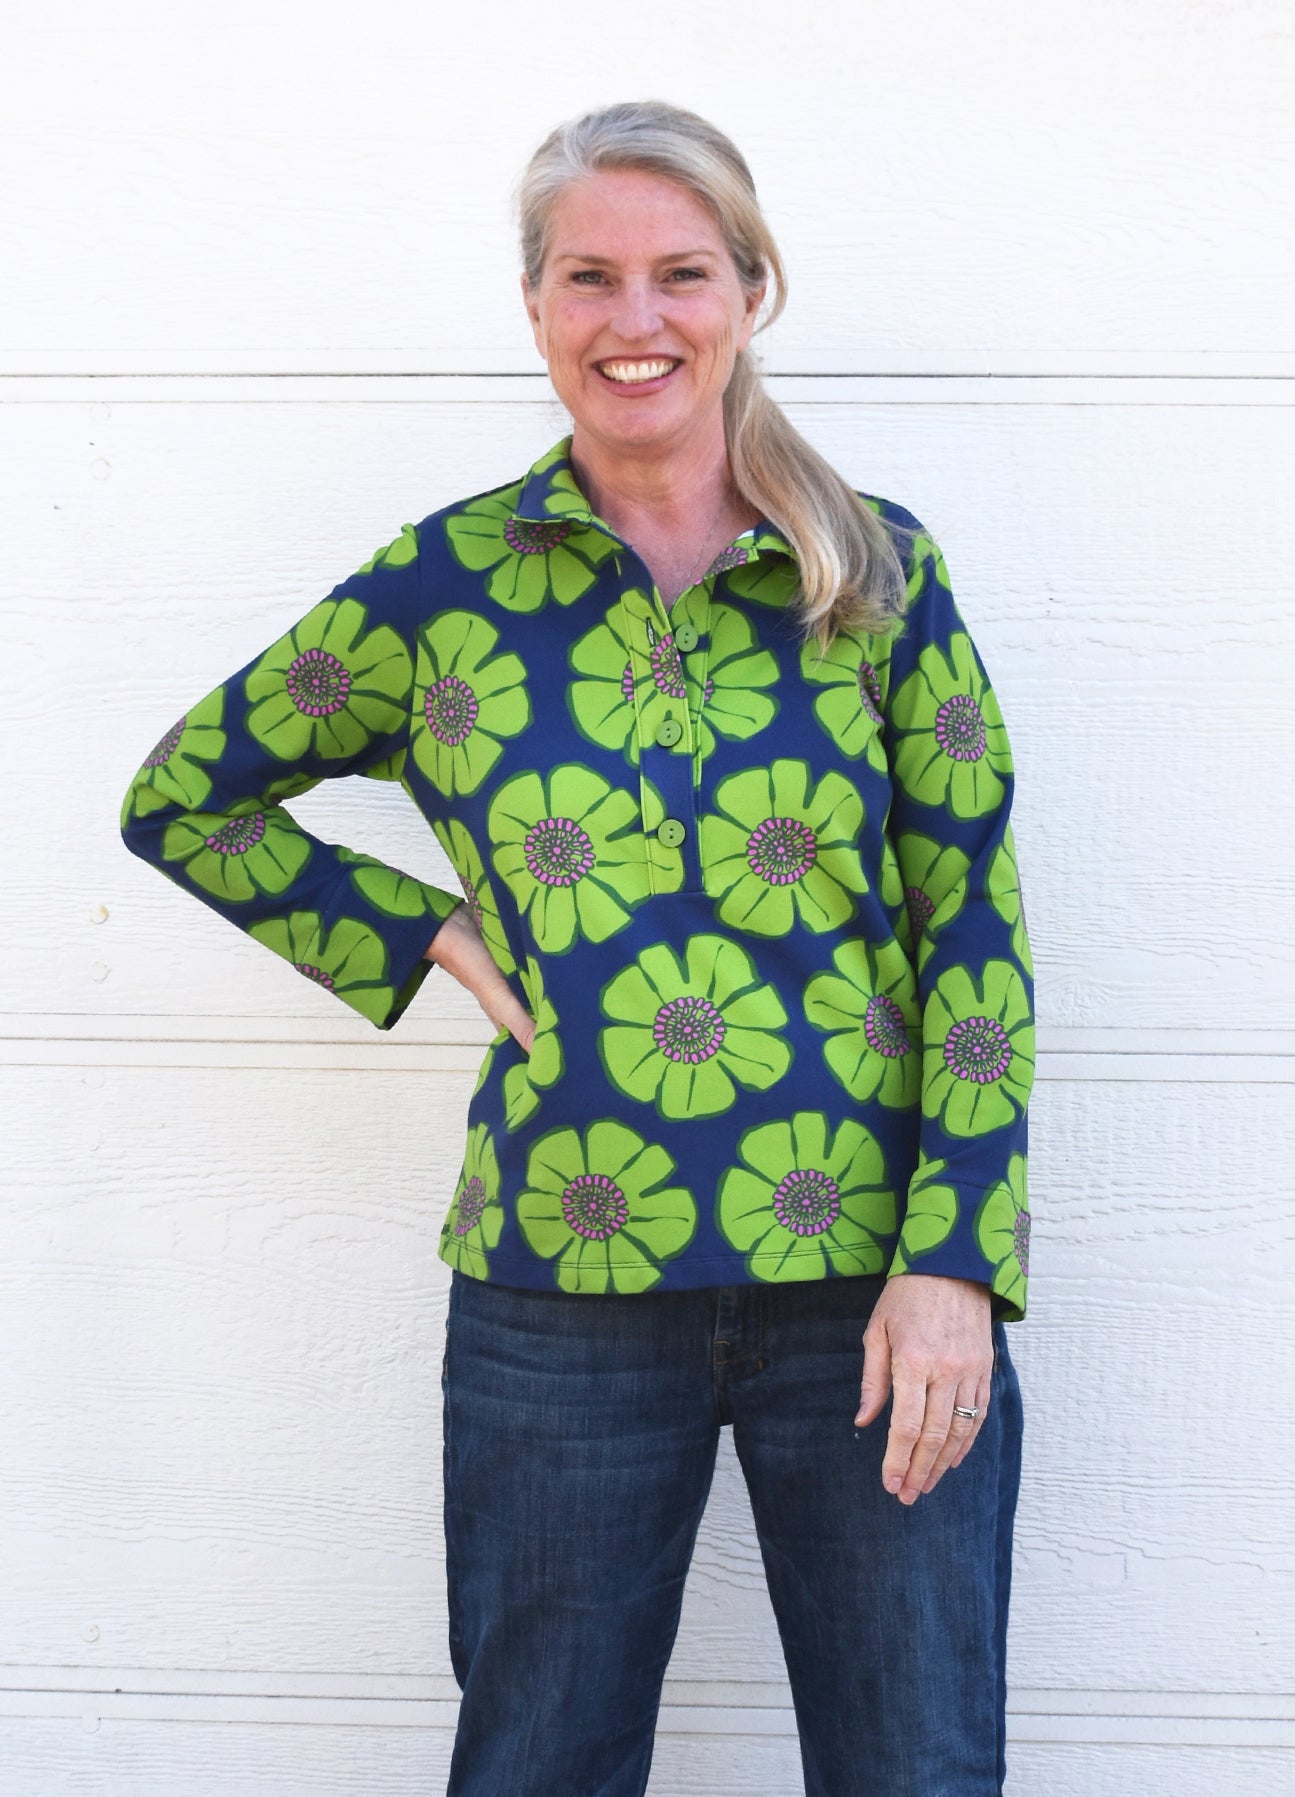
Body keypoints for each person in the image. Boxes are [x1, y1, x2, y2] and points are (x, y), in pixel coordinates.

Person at [120, 98, 1034, 1797]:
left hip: (869, 1284)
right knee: (538, 1762)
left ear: (750, 291)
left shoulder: (877, 573)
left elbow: (973, 925)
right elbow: (184, 797)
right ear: (534, 303)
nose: (637, 319)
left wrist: (957, 1258)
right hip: (560, 1285)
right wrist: (417, 928)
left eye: (681, 272)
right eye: (589, 277)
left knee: (913, 1763)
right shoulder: (446, 585)